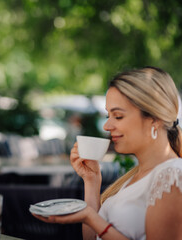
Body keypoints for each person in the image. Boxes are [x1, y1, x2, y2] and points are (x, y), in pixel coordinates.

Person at [32, 66, 182, 239]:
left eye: (118, 116)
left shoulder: (172, 176)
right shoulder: (135, 177)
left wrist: (91, 218)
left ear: (154, 119)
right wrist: (92, 181)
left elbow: (98, 226)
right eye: (107, 116)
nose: (106, 126)